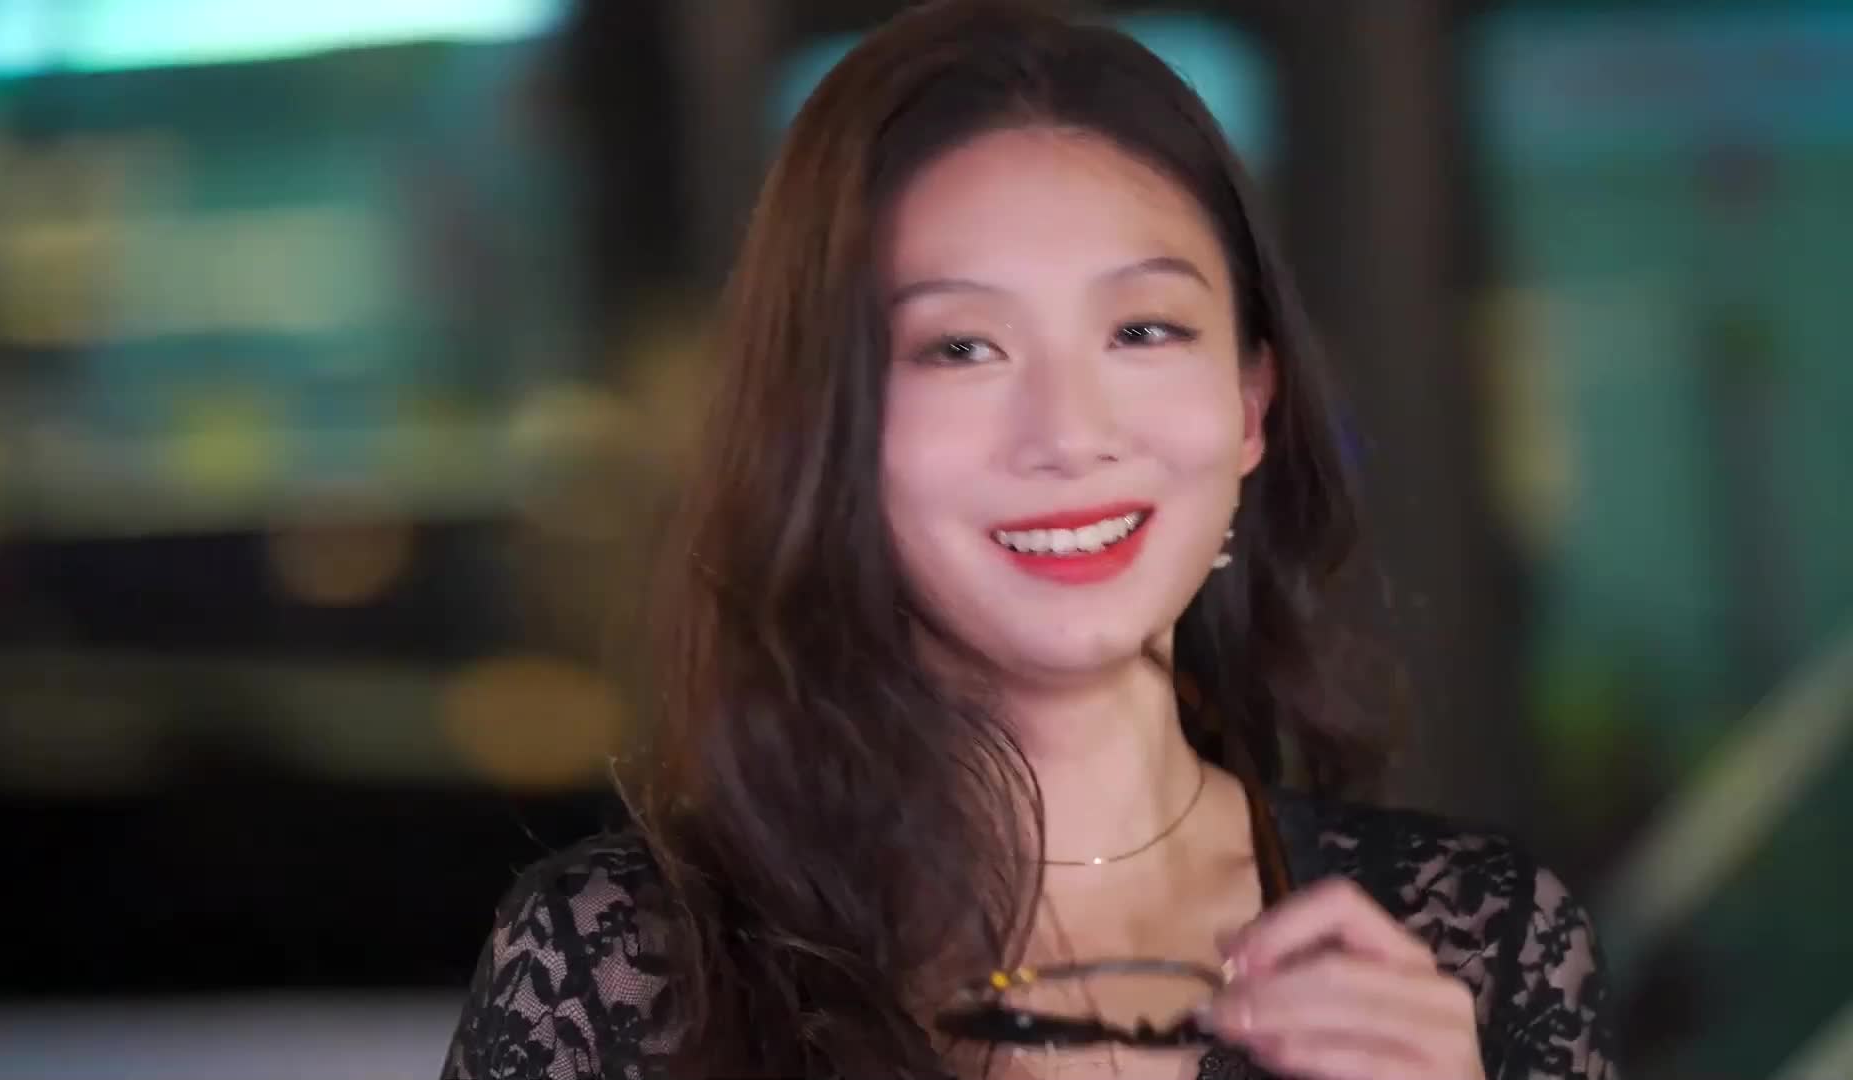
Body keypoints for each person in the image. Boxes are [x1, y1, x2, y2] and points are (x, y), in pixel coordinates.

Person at [439, 2, 1618, 1077]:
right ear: (828, 426)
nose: (1069, 434)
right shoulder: (618, 970)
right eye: (962, 348)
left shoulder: (1477, 940)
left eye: (1144, 330)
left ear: (1251, 405)